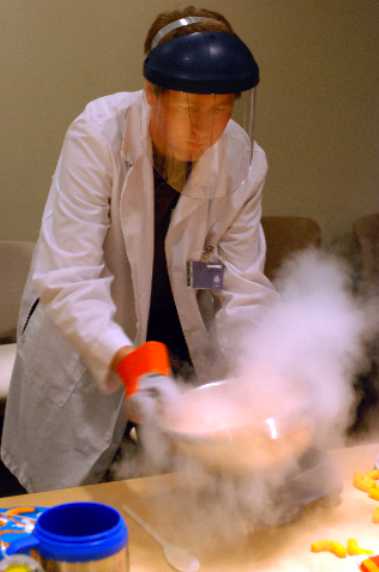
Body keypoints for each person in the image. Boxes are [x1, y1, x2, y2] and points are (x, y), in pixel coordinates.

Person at [1, 6, 277, 492]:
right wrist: (121, 356)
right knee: (68, 502)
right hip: (89, 340)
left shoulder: (243, 160)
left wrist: (263, 370)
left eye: (221, 110)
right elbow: (68, 274)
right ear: (153, 94)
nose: (206, 130)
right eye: (191, 109)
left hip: (178, 342)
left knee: (173, 500)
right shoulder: (98, 134)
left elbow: (244, 287)